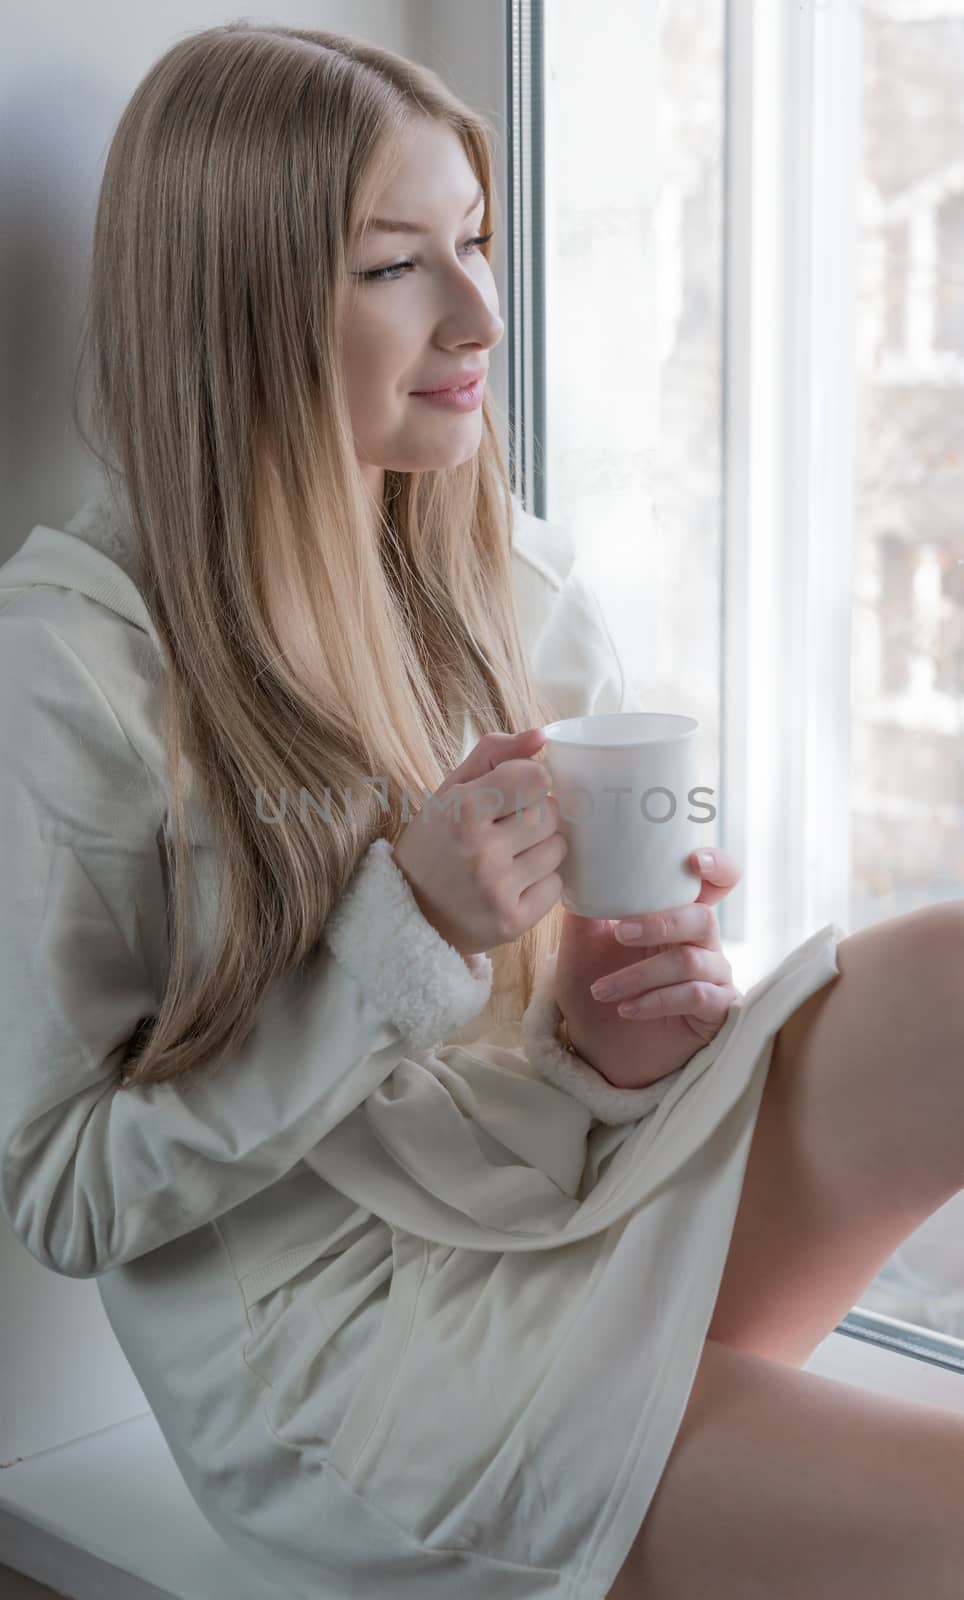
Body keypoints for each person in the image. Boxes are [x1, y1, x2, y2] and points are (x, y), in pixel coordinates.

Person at [2, 22, 963, 1600]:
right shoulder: (74, 670)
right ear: (241, 301)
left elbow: (536, 1063)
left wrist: (603, 1043)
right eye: (395, 266)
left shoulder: (493, 568)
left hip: (553, 1200)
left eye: (476, 243)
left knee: (946, 975)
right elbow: (65, 1192)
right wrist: (411, 935)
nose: (478, 314)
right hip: (350, 1350)